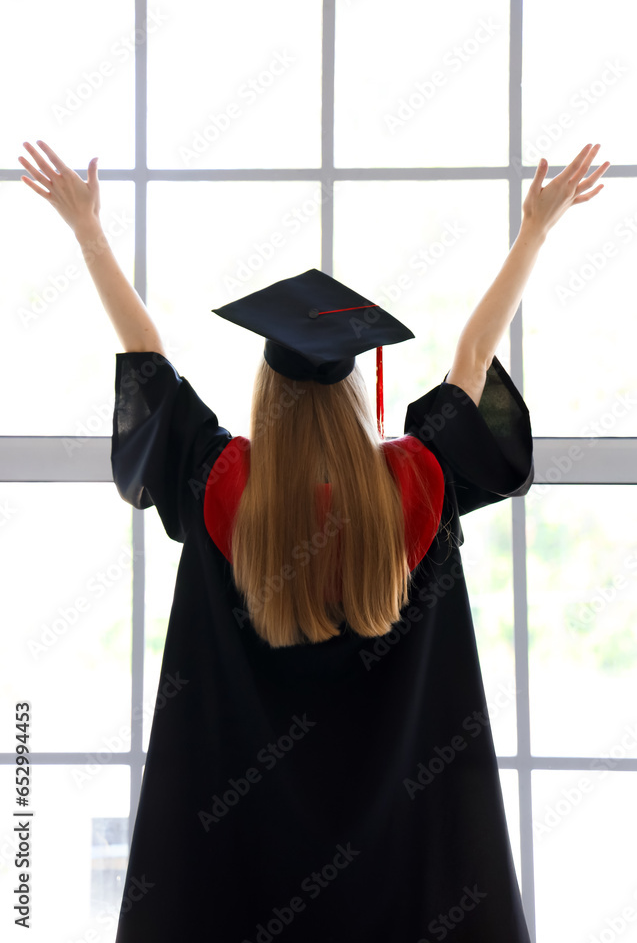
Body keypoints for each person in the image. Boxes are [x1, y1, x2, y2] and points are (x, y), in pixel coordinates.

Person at [19, 139, 609, 942]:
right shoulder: (416, 483)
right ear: (349, 397)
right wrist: (533, 232)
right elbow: (471, 360)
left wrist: (87, 229)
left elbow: (145, 356)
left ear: (269, 392)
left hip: (248, 875)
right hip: (398, 886)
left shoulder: (221, 484)